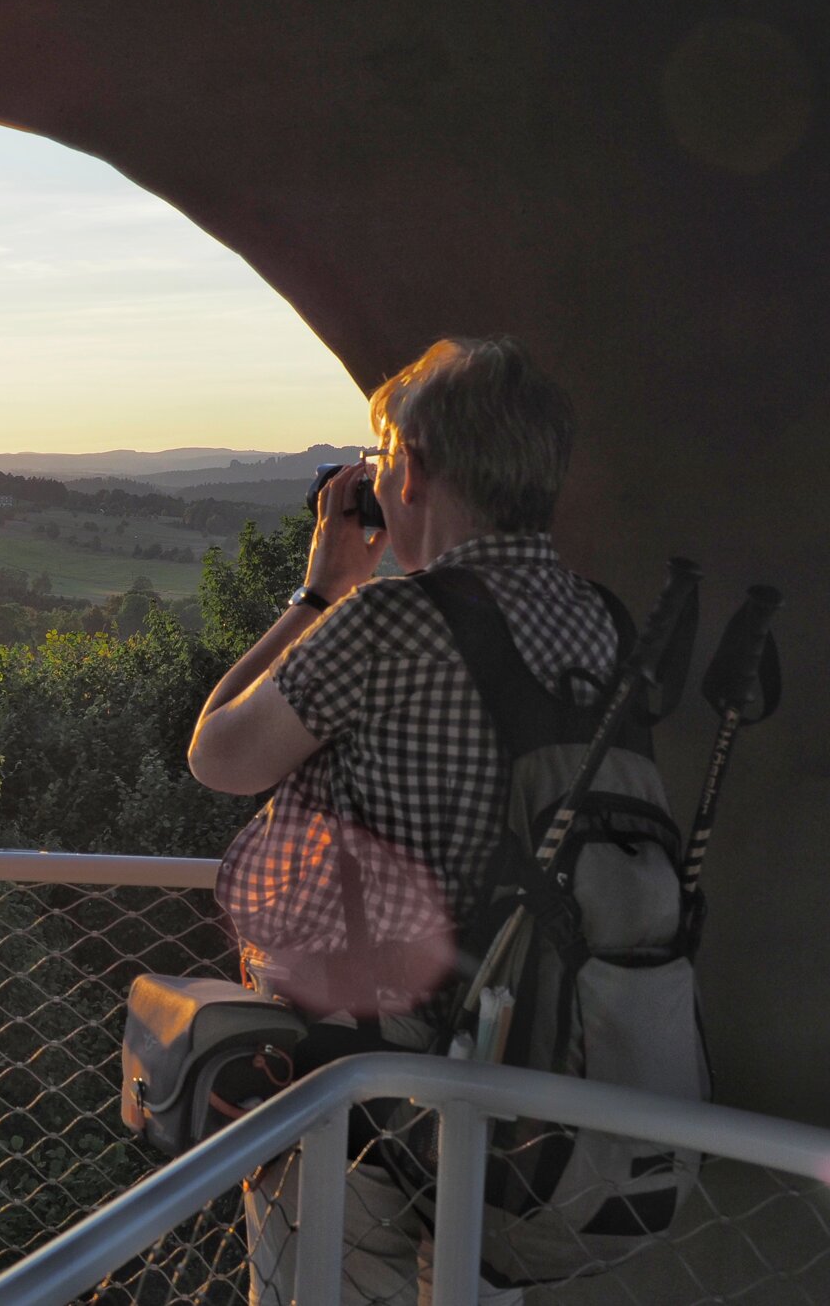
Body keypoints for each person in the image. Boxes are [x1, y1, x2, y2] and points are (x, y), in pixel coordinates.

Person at [187, 336, 620, 1305]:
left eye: (381, 457)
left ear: (414, 469)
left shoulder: (391, 620)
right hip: (523, 1065)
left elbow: (219, 755)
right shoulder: (601, 622)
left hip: (361, 1074)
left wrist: (320, 591)